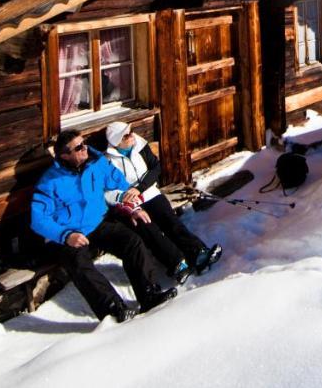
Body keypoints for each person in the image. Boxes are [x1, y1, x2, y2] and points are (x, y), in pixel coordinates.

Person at [30, 129, 178, 321]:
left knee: (132, 242)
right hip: (67, 232)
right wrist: (66, 235)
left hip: (97, 222)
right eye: (79, 147)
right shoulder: (49, 182)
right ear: (65, 155)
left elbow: (121, 184)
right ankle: (113, 309)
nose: (85, 149)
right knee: (80, 265)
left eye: (84, 143)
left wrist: (132, 206)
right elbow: (38, 219)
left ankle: (149, 294)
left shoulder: (96, 162)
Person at [104, 121, 222, 282]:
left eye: (131, 131)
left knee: (170, 221)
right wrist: (126, 198)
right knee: (150, 230)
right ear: (116, 141)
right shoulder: (108, 161)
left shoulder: (139, 145)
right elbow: (108, 189)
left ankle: (198, 253)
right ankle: (176, 264)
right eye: (126, 135)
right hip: (132, 203)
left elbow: (155, 169)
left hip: (150, 193)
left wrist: (140, 188)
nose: (131, 136)